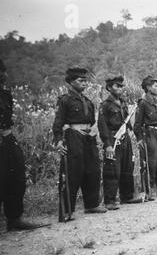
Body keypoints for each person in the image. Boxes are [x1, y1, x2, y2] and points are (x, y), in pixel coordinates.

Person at [53, 68, 107, 217]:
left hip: (88, 138)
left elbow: (92, 121)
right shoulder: (65, 100)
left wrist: (93, 131)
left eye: (85, 81)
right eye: (80, 81)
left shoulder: (88, 101)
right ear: (71, 82)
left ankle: (92, 205)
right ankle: (66, 210)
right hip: (73, 137)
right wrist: (58, 141)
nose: (84, 83)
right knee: (72, 171)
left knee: (93, 170)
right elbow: (57, 123)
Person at [0, 59, 43, 231]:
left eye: (3, 72)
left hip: (7, 139)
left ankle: (14, 219)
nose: (4, 75)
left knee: (16, 179)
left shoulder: (5, 94)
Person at [98, 76, 142, 210]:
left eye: (121, 86)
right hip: (113, 137)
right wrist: (108, 144)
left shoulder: (123, 103)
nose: (120, 89)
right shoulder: (105, 105)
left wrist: (131, 135)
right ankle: (110, 200)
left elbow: (127, 122)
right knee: (112, 169)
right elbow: (102, 125)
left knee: (127, 166)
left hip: (125, 138)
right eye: (117, 86)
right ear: (109, 88)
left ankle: (127, 196)